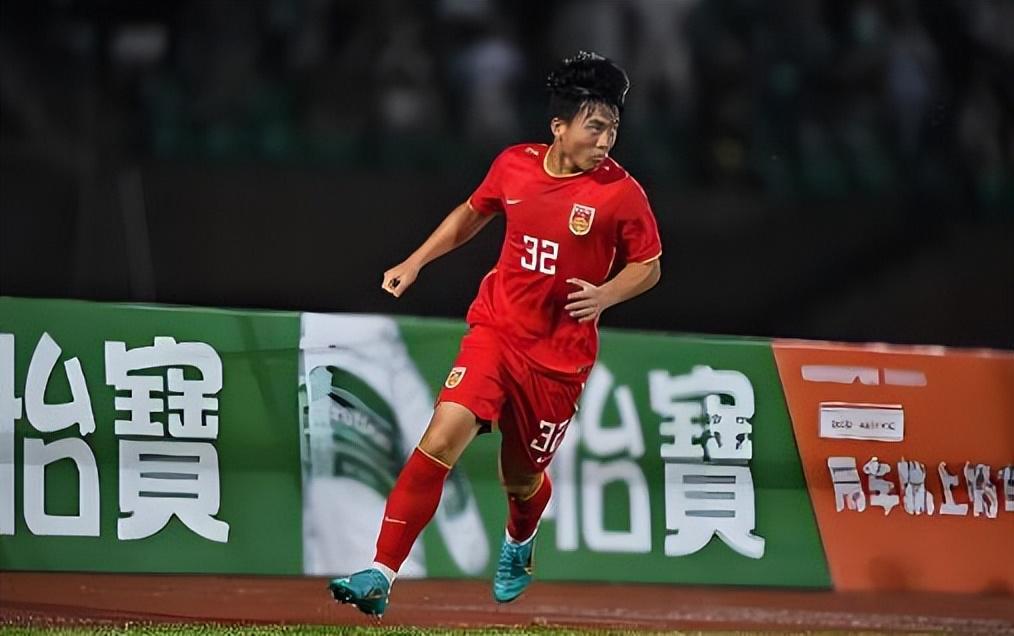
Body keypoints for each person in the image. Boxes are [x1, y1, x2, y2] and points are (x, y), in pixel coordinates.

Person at [329, 51, 662, 618]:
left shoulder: (620, 193)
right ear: (559, 127)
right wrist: (415, 261)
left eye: (613, 128)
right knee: (440, 439)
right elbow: (472, 212)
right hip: (497, 332)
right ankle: (380, 572)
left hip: (559, 358)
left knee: (522, 478)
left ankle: (518, 541)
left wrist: (606, 294)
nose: (606, 140)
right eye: (595, 127)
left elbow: (648, 266)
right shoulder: (514, 165)